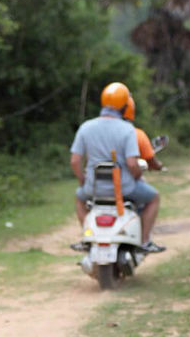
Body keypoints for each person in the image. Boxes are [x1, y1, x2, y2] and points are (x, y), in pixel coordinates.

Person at [70, 81, 164, 253]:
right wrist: (135, 177)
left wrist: (83, 182)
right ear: (125, 106)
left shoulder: (86, 127)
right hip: (124, 189)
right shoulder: (127, 129)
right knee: (153, 198)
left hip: (94, 189)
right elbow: (132, 164)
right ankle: (144, 242)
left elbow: (75, 161)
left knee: (79, 197)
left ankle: (86, 236)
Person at [124, 96, 165, 173]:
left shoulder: (94, 129)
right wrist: (159, 166)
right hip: (126, 182)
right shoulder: (137, 134)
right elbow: (151, 161)